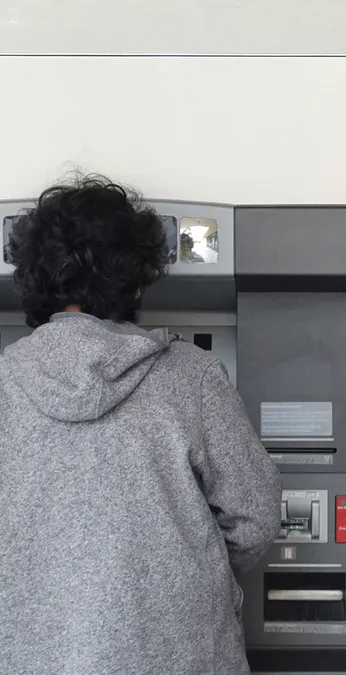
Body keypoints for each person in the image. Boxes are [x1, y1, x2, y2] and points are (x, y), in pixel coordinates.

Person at [0, 176, 281, 675]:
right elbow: (255, 518)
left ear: (32, 279)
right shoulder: (191, 376)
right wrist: (184, 565)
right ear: (135, 280)